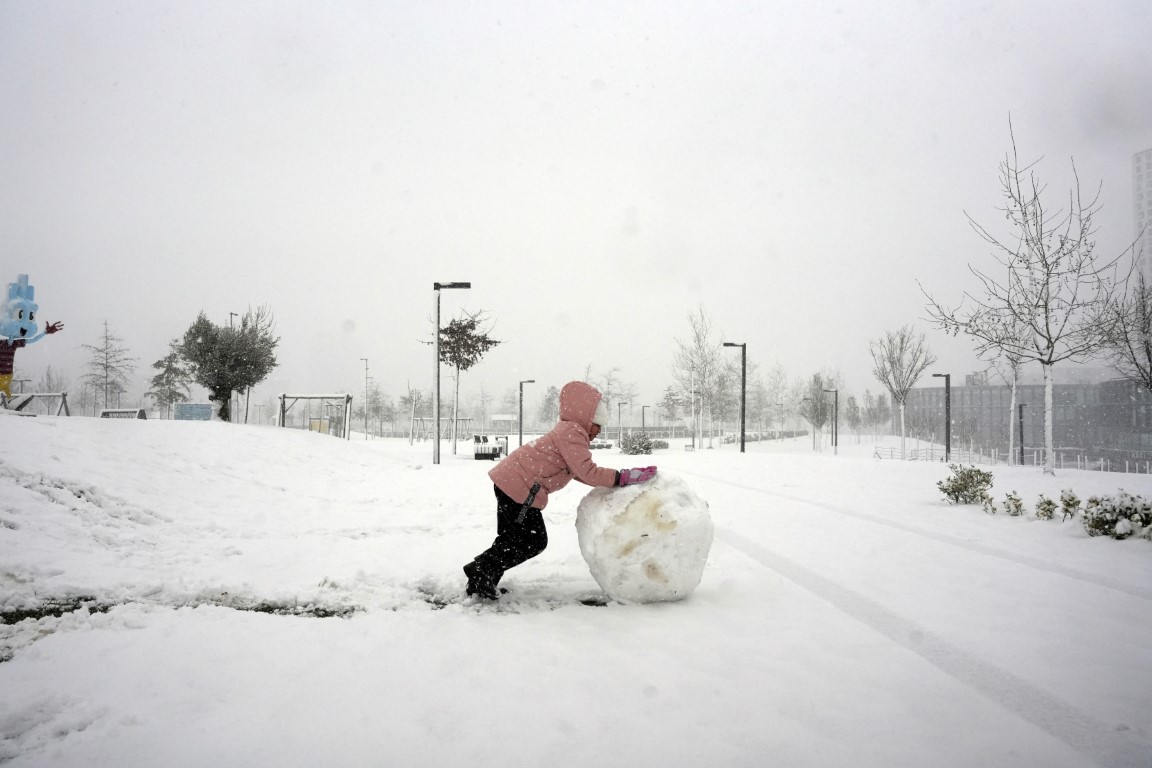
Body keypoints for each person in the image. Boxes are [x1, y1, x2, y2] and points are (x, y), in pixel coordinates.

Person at [463, 380, 656, 600]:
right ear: (586, 418)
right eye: (598, 425)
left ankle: (482, 581)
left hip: (511, 481)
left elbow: (578, 471)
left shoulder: (569, 431)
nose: (598, 432)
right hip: (518, 487)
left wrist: (614, 478)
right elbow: (587, 471)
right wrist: (621, 477)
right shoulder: (572, 432)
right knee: (532, 541)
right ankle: (480, 571)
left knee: (512, 537)